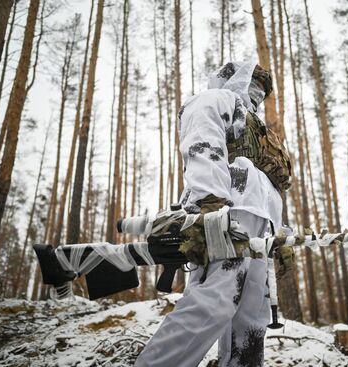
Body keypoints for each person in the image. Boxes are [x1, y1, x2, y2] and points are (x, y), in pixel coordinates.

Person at [135, 61, 292, 367]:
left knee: (252, 316)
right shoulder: (217, 100)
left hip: (262, 225)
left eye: (263, 91)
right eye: (253, 85)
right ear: (235, 80)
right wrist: (211, 203)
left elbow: (269, 186)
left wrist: (280, 231)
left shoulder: (259, 131)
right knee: (215, 300)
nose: (258, 95)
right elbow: (202, 143)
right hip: (227, 213)